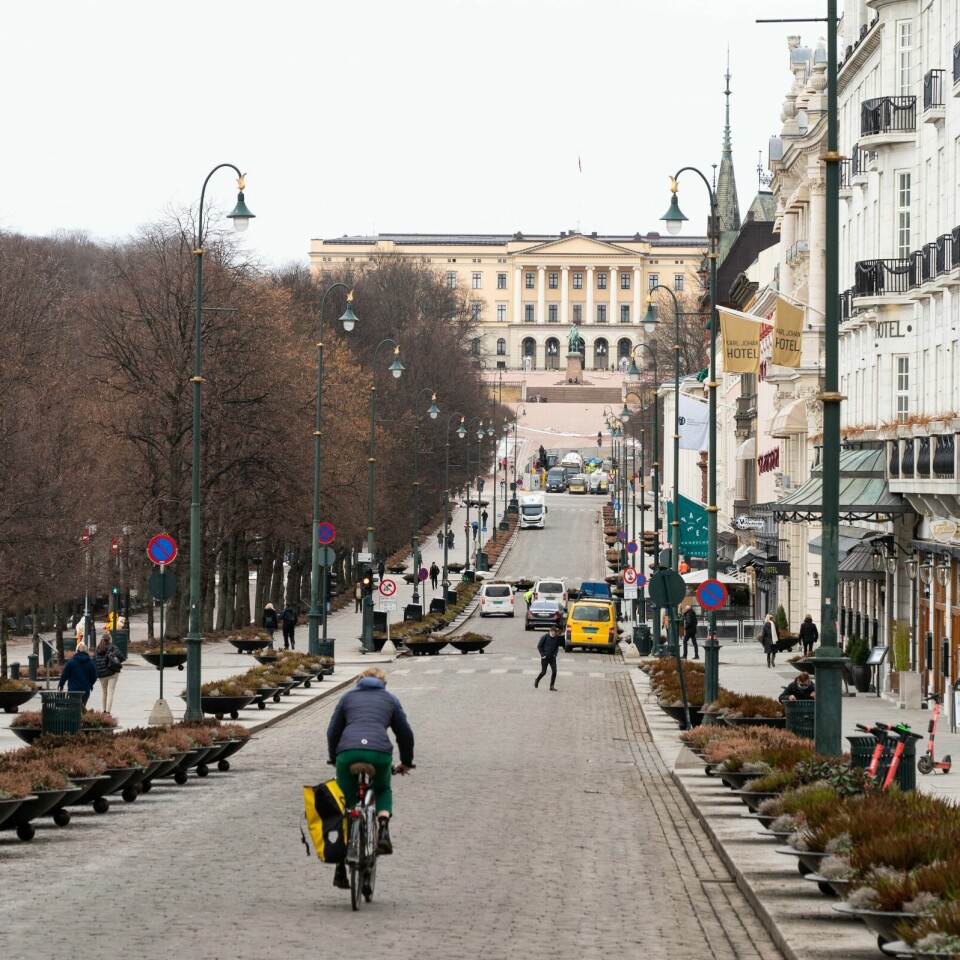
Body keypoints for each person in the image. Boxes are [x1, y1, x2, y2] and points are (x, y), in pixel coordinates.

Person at [327, 667, 414, 889]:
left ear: (359, 681)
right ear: (383, 683)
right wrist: (405, 761)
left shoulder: (347, 697)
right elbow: (405, 733)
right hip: (379, 753)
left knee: (344, 803)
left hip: (348, 753)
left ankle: (339, 866)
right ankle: (383, 828)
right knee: (382, 789)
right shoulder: (390, 699)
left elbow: (332, 732)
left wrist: (333, 758)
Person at [58, 641, 98, 707]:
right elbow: (95, 676)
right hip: (85, 690)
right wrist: (90, 684)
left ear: (78, 651)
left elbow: (64, 675)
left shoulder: (71, 662)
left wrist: (61, 685)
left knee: (73, 708)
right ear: (86, 652)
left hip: (73, 690)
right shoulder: (90, 663)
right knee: (82, 707)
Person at [93, 630, 124, 715]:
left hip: (102, 675)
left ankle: (104, 711)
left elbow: (94, 661)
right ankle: (108, 712)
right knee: (110, 692)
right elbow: (122, 657)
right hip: (112, 673)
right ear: (110, 639)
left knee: (104, 692)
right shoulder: (113, 647)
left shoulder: (97, 649)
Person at [535, 624, 562, 691]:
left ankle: (552, 686)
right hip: (545, 658)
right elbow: (539, 646)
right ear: (550, 631)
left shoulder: (556, 638)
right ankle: (537, 680)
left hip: (552, 658)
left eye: (554, 632)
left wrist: (555, 654)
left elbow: (556, 647)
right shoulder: (545, 637)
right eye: (552, 631)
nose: (553, 633)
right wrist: (542, 654)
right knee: (544, 672)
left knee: (554, 671)